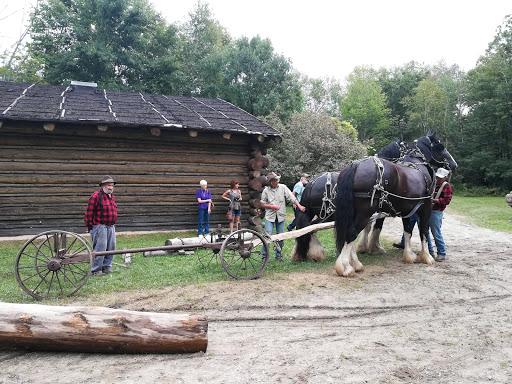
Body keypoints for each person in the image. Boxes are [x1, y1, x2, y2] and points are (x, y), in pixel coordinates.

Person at [260, 172, 306, 261]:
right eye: (275, 180)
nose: (277, 181)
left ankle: (278, 256)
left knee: (280, 236)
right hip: (270, 216)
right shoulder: (266, 190)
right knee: (267, 236)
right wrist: (271, 206)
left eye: (277, 180)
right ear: (271, 182)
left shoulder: (283, 187)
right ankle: (264, 257)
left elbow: (292, 198)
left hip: (280, 216)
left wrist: (299, 206)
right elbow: (262, 204)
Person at [84, 175, 118, 276]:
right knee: (100, 249)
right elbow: (89, 213)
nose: (111, 187)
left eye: (112, 185)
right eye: (108, 185)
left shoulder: (111, 196)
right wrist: (90, 227)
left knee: (111, 248)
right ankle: (96, 270)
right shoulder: (96, 196)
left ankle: (107, 267)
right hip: (100, 226)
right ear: (103, 185)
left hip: (111, 226)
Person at [429, 168, 452, 262]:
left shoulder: (446, 186)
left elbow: (446, 201)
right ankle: (429, 251)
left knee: (436, 233)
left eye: (440, 177)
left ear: (445, 178)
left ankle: (441, 253)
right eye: (437, 177)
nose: (438, 179)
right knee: (425, 232)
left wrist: (433, 200)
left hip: (436, 212)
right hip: (428, 211)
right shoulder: (432, 184)